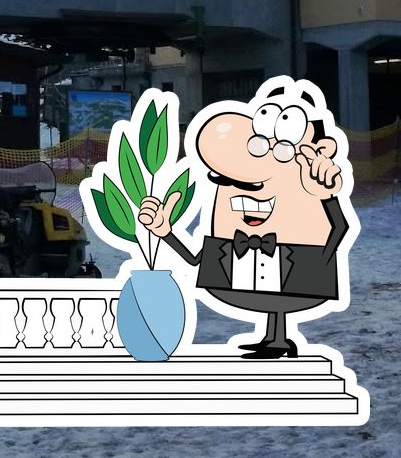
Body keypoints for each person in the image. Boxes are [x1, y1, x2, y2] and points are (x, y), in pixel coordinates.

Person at [138, 78, 352, 360]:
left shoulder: (311, 187)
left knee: (280, 297)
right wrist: (165, 231)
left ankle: (277, 340)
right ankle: (273, 338)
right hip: (244, 263)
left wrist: (322, 247)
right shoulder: (228, 238)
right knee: (272, 299)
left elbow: (341, 225)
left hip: (297, 261)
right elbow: (195, 260)